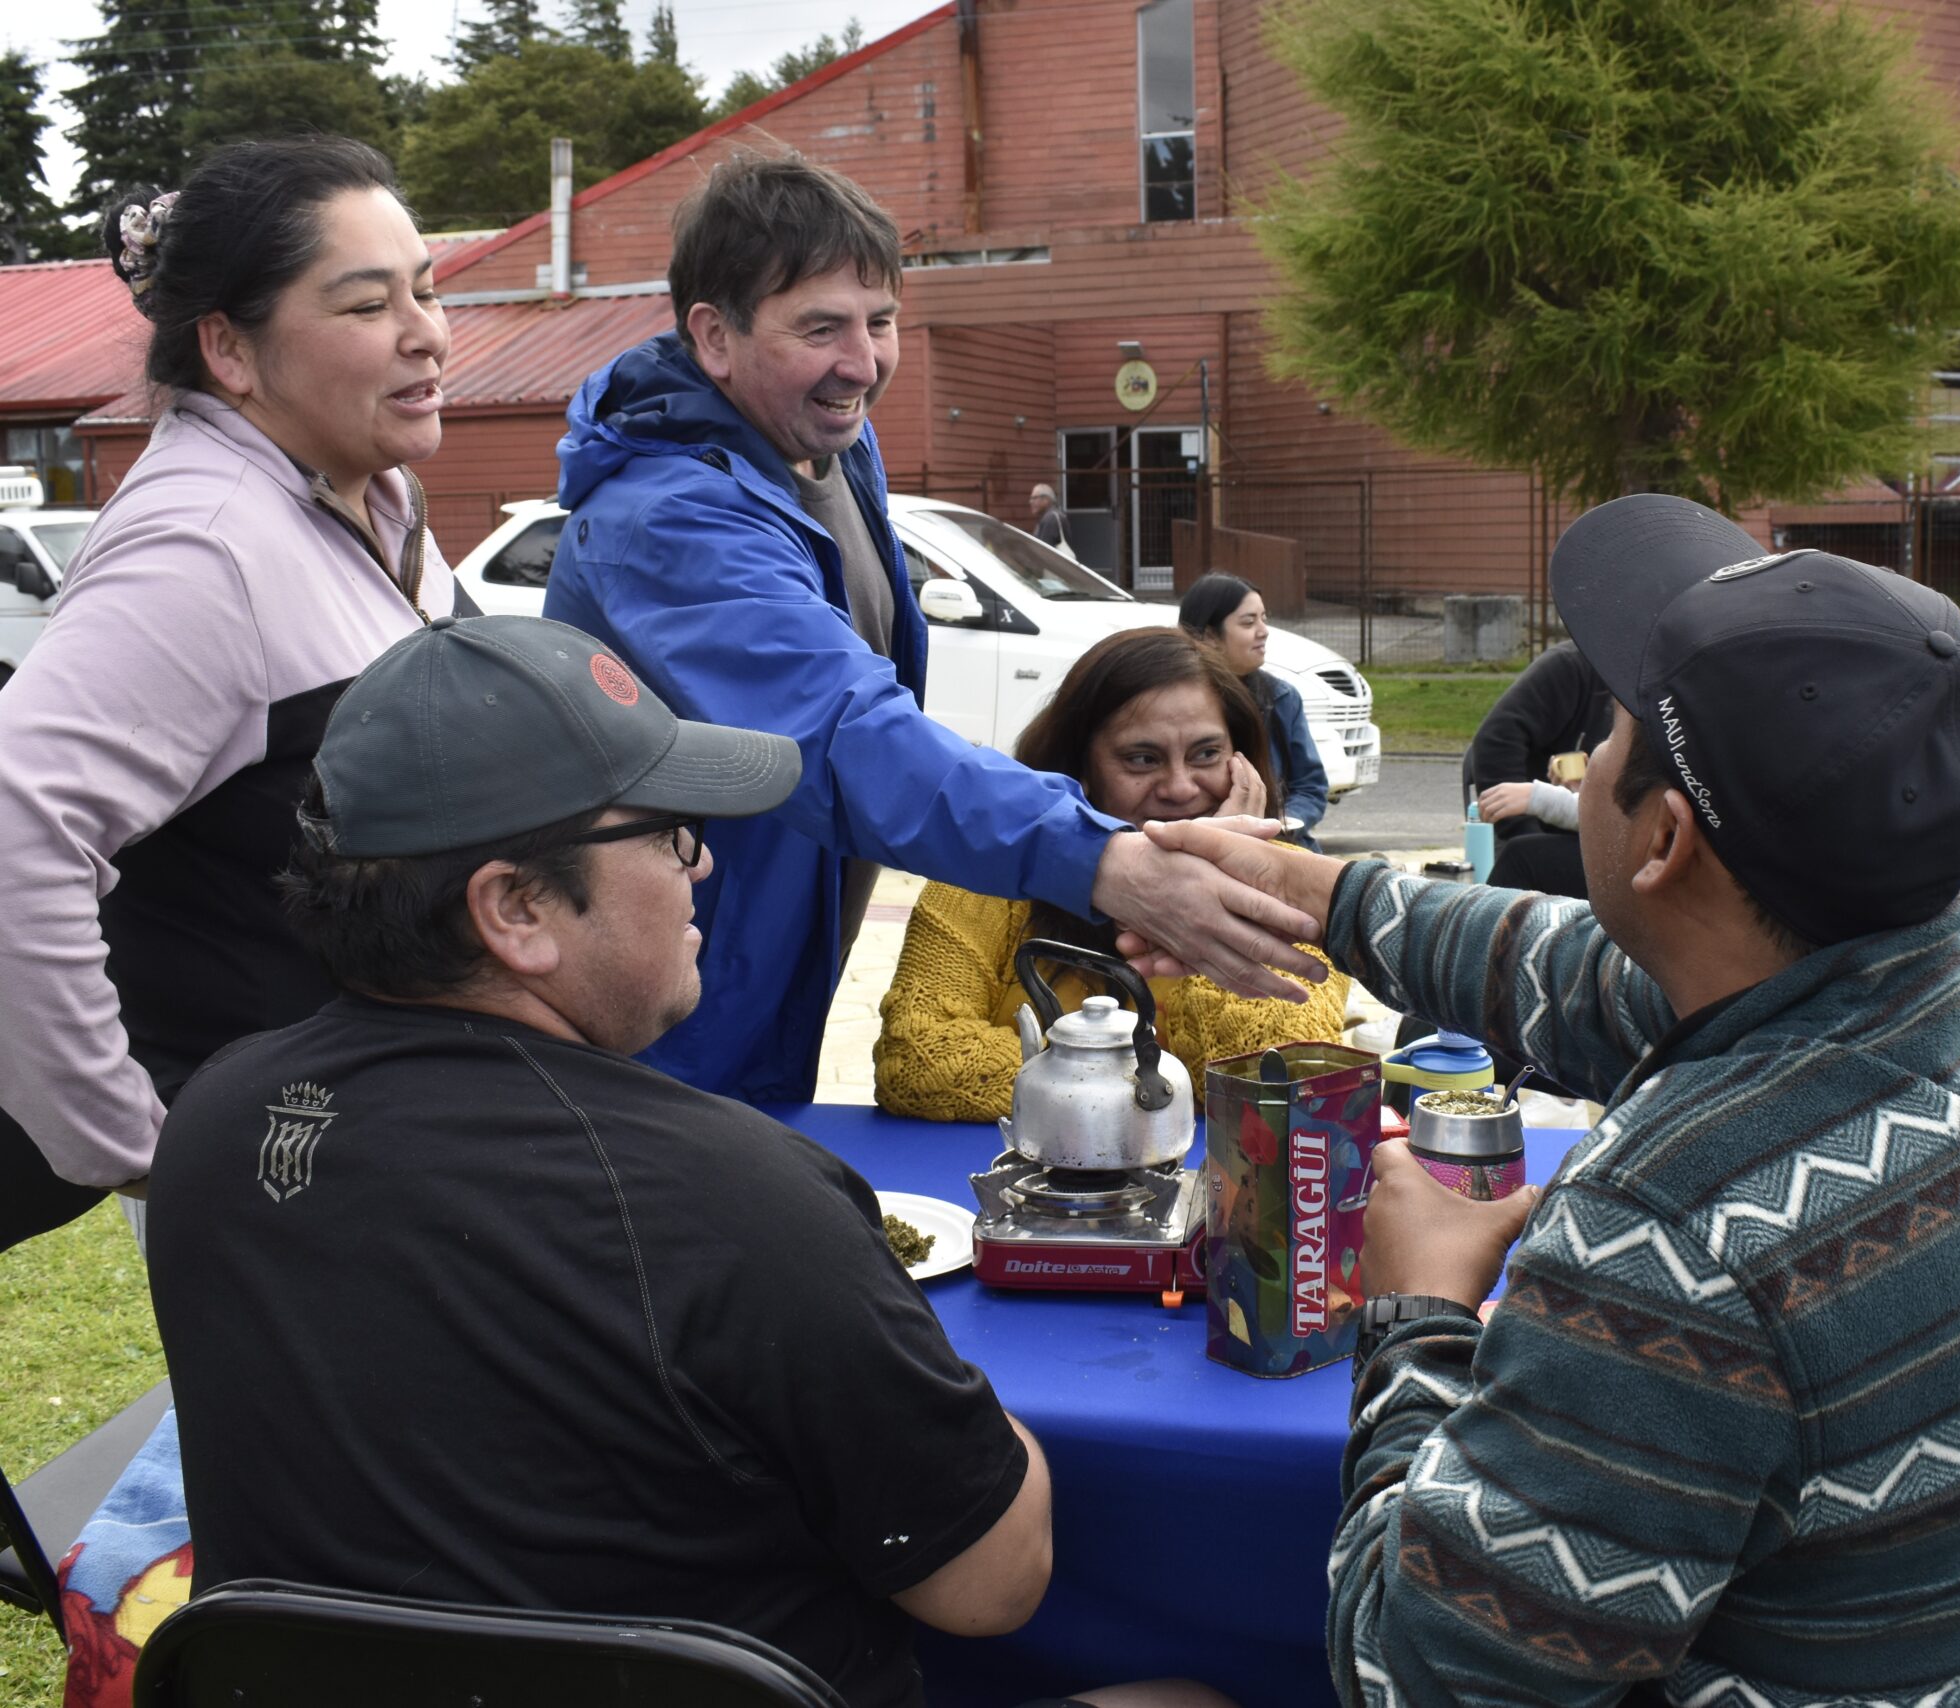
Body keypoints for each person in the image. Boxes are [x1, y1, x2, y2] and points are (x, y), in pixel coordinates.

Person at [1140, 501, 1960, 1705]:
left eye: (1601, 736)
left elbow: (1424, 1675)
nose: (1583, 760)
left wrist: (1414, 1311)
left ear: (1661, 834)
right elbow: (1596, 977)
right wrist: (1320, 892)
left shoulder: (1677, 1229)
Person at [147, 615, 1228, 1708]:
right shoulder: (737, 1195)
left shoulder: (213, 1126)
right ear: (516, 907)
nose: (703, 861)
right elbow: (993, 1583)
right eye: (668, 831)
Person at [542, 150, 1318, 1106]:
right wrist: (1107, 860)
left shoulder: (823, 448)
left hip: (760, 957)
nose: (862, 365)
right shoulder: (670, 521)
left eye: (881, 321)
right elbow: (840, 735)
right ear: (714, 336)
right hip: (660, 998)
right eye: (819, 327)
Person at [0, 137, 461, 1249]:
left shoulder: (372, 498)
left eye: (427, 289)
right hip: (283, 1175)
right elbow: (15, 829)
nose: (425, 333)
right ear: (230, 350)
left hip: (383, 1138)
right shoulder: (203, 547)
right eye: (366, 306)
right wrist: (133, 1146)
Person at [876, 629, 1348, 1122]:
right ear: (1082, 769)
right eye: (1141, 759)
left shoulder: (1295, 890)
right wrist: (1143, 1089)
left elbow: (1276, 1078)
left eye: (1206, 754)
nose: (1180, 788)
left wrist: (1228, 882)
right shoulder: (989, 878)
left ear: (1242, 761)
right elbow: (916, 1058)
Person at [1175, 572, 1329, 841]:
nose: (1264, 631)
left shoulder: (1281, 698)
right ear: (1209, 635)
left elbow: (1310, 786)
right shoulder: (1172, 702)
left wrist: (1282, 824)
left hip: (1279, 846)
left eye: (1264, 619)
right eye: (1249, 622)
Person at [1462, 638, 1615, 897]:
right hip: (1562, 824)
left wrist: (1543, 799)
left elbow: (1632, 817)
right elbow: (1497, 738)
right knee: (1522, 855)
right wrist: (1524, 830)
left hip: (1618, 846)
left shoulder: (1664, 697)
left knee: (1523, 857)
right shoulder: (1574, 666)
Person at [1030, 480, 1072, 556]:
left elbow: (1044, 552)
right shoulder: (1052, 516)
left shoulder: (1050, 519)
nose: (1031, 502)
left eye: (1034, 498)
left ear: (1046, 500)